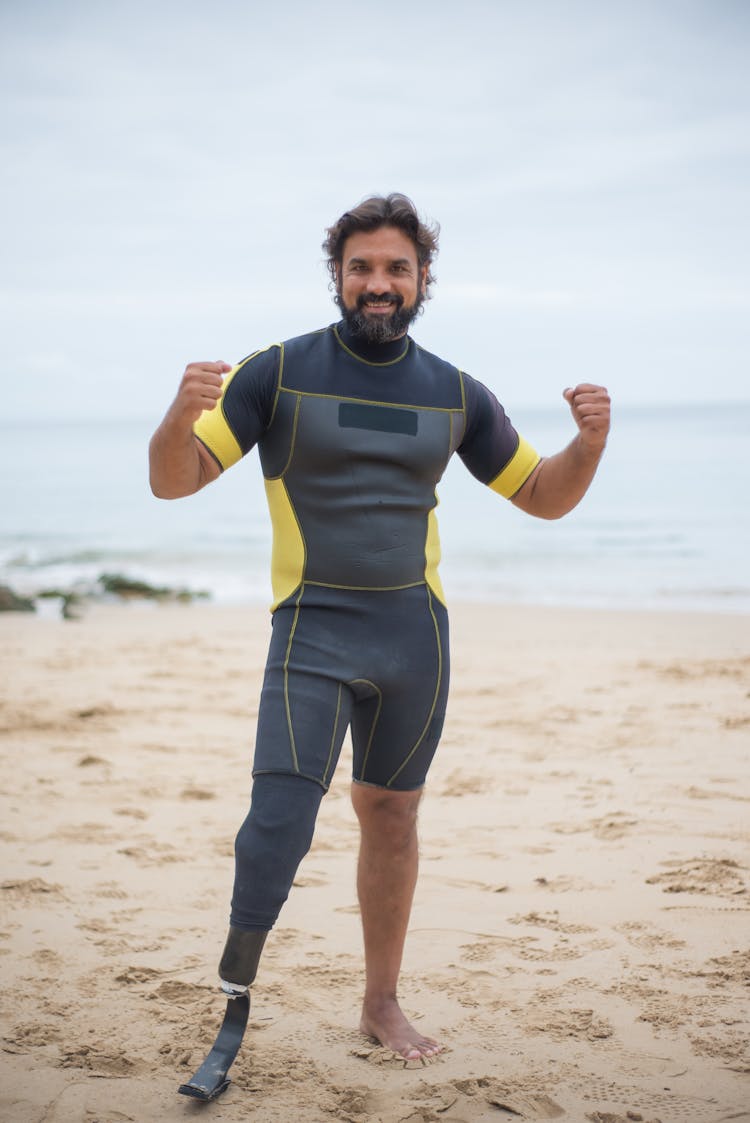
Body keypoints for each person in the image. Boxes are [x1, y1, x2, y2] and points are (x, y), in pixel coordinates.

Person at [149, 193, 610, 1081]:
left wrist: (587, 444)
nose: (378, 283)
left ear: (423, 279)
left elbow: (540, 494)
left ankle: (380, 1001)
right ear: (338, 276)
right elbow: (178, 481)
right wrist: (180, 411)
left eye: (397, 267)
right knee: (277, 820)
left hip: (413, 640)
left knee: (391, 815)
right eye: (361, 266)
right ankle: (235, 998)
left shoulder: (456, 393)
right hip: (311, 631)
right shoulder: (274, 372)